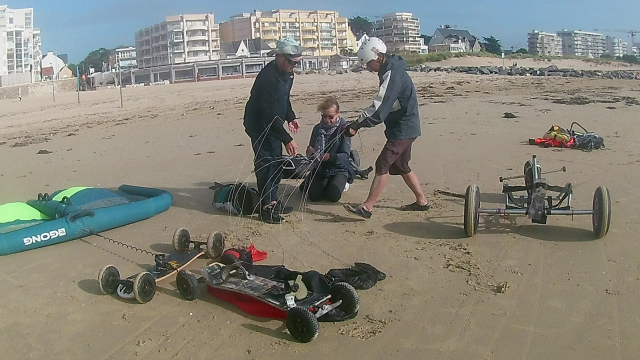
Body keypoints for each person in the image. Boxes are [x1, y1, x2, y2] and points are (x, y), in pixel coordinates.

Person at [343, 37, 430, 219]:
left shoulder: (392, 73)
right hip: (407, 126)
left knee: (382, 164)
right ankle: (422, 201)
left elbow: (380, 107)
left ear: (378, 57)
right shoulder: (391, 71)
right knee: (401, 164)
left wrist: (357, 124)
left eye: (368, 63)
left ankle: (367, 208)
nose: (368, 68)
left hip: (403, 129)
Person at [243, 37, 303, 224]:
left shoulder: (288, 74)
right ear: (280, 57)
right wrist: (286, 138)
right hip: (259, 124)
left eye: (297, 62)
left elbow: (284, 99)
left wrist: (291, 116)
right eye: (292, 62)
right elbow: (267, 113)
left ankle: (273, 200)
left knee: (276, 162)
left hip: (274, 122)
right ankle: (266, 207)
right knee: (266, 162)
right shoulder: (267, 77)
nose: (295, 66)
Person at [302, 97, 354, 203]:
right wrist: (310, 152)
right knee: (314, 197)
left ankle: (344, 183)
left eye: (331, 116)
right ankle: (319, 182)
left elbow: (345, 156)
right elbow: (311, 154)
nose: (327, 120)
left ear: (338, 113)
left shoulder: (344, 129)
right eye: (324, 116)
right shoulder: (317, 129)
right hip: (322, 168)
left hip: (339, 168)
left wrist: (330, 157)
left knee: (332, 196)